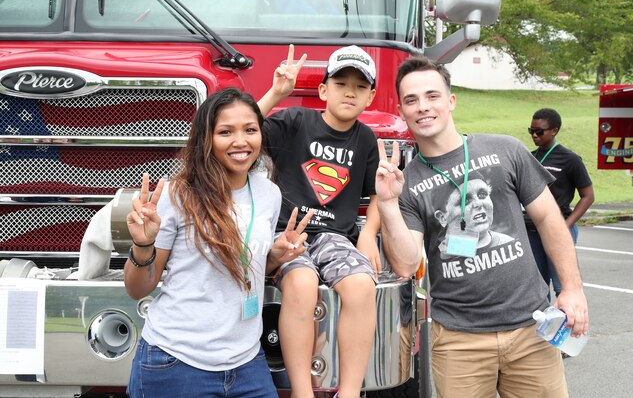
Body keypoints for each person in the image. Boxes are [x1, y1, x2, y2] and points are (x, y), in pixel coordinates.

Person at [375, 55, 589, 398]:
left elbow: (550, 219)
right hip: (459, 342)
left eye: (432, 96)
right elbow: (404, 263)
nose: (423, 107)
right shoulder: (407, 182)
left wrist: (572, 289)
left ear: (451, 100)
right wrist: (386, 203)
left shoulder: (505, 149)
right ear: (401, 110)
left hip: (531, 330)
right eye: (411, 100)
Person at [124, 87, 313, 398]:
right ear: (206, 139)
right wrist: (142, 245)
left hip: (247, 363)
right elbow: (137, 289)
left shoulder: (269, 193)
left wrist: (275, 256)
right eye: (226, 132)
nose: (241, 141)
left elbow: (237, 266)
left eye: (250, 130)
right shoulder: (177, 194)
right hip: (176, 362)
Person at [258, 45, 381, 398]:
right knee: (301, 283)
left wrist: (369, 234)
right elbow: (243, 126)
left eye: (360, 87)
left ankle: (350, 391)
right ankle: (302, 391)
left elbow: (376, 193)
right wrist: (277, 92)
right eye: (341, 83)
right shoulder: (295, 121)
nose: (349, 92)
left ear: (371, 96)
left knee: (360, 284)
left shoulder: (367, 139)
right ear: (324, 90)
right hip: (286, 231)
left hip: (333, 236)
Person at [526, 108, 594, 299]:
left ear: (554, 131)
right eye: (531, 131)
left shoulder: (570, 159)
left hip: (558, 228)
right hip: (532, 231)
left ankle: (572, 328)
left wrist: (565, 225)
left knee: (563, 287)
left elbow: (588, 196)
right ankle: (544, 328)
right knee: (538, 289)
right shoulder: (529, 157)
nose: (534, 135)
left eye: (539, 131)